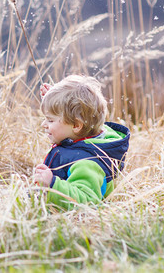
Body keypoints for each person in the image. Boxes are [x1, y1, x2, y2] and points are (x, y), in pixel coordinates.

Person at [33, 75, 130, 210]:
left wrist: (52, 184)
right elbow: (78, 113)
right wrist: (56, 100)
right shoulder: (84, 136)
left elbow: (85, 202)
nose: (44, 124)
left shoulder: (87, 162)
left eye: (50, 120)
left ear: (76, 126)